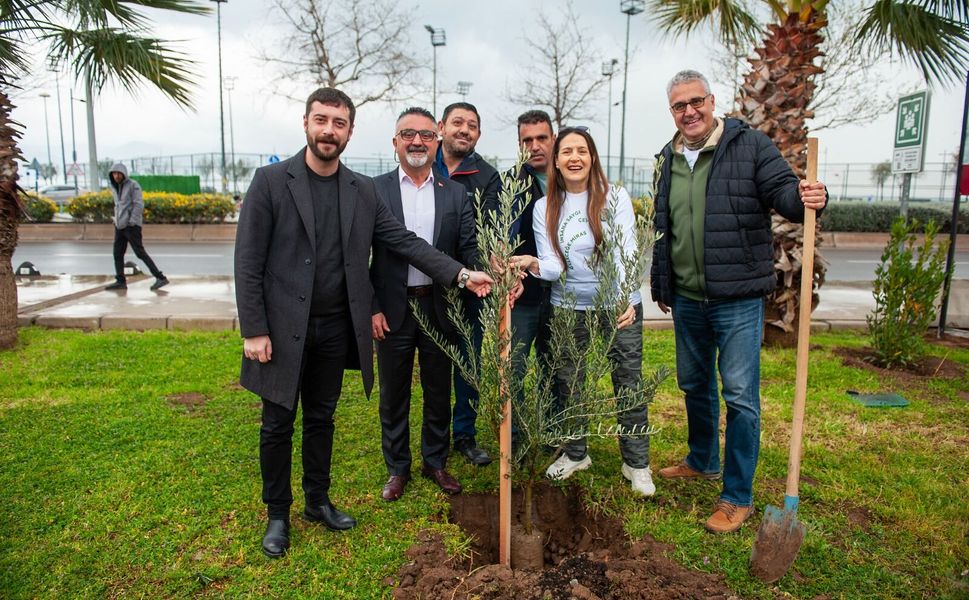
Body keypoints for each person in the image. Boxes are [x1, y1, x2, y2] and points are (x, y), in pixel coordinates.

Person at [234, 88, 492, 558]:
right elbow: (248, 260)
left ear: (350, 131)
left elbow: (405, 242)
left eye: (338, 123)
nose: (329, 130)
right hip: (280, 328)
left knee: (321, 418)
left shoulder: (360, 190)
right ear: (306, 123)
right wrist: (254, 328)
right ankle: (278, 513)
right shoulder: (271, 181)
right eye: (321, 120)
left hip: (336, 328)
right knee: (277, 424)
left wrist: (460, 272)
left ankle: (317, 501)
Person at [650, 70, 827, 533]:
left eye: (695, 102)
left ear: (712, 101)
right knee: (694, 384)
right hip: (688, 298)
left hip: (737, 298)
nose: (688, 112)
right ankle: (703, 458)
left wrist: (808, 196)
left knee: (740, 397)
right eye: (678, 106)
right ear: (671, 112)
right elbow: (663, 228)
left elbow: (785, 196)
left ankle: (736, 496)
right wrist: (663, 283)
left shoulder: (750, 146)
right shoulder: (667, 158)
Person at [513, 126, 654, 497]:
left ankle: (636, 463)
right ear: (556, 161)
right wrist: (530, 262)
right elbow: (554, 266)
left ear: (592, 157)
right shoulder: (545, 207)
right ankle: (576, 453)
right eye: (566, 152)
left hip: (617, 304)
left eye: (581, 150)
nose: (574, 157)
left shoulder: (614, 197)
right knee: (569, 382)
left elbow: (626, 249)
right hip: (568, 307)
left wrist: (625, 295)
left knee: (628, 382)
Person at [370, 107, 479, 501]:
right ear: (395, 142)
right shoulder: (374, 190)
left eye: (425, 135)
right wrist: (371, 307)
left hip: (440, 308)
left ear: (436, 140)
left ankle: (435, 461)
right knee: (393, 393)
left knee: (438, 390)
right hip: (392, 310)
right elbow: (358, 257)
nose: (416, 141)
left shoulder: (455, 193)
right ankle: (397, 468)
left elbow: (468, 249)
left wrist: (491, 268)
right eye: (407, 134)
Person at [433, 102, 501, 466]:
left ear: (478, 134)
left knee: (468, 361)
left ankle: (465, 434)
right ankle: (435, 435)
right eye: (457, 122)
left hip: (471, 284)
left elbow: (485, 233)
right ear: (441, 127)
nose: (464, 130)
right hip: (426, 281)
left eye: (472, 125)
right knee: (432, 361)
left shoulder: (487, 177)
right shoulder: (424, 162)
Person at [504, 110, 555, 440]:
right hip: (524, 299)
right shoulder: (511, 183)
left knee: (556, 370)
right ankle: (519, 439)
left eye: (541, 138)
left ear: (553, 138)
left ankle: (553, 436)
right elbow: (502, 238)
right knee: (516, 370)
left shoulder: (572, 179)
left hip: (565, 296)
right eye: (527, 140)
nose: (535, 146)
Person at [104, 163, 168, 291]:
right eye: (114, 174)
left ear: (123, 174)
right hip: (119, 226)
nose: (116, 176)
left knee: (140, 253)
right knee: (117, 254)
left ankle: (160, 278)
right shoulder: (115, 187)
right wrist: (116, 220)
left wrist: (131, 222)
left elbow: (138, 205)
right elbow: (118, 206)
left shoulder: (133, 185)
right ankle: (121, 281)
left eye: (118, 173)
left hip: (131, 227)